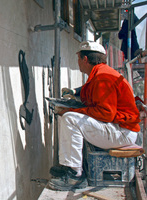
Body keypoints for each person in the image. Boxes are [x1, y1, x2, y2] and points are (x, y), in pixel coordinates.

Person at [47, 41, 141, 191]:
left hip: (123, 132)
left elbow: (105, 113)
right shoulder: (101, 72)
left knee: (70, 119)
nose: (77, 62)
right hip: (121, 128)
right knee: (70, 116)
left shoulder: (103, 77)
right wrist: (75, 91)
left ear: (85, 60)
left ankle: (75, 175)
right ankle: (70, 167)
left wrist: (70, 111)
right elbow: (89, 88)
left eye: (78, 58)